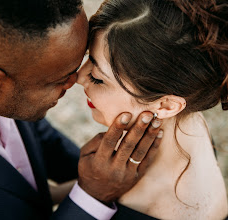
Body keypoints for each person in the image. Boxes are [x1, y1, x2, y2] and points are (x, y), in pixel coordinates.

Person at [0, 0, 164, 219]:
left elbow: (43, 140)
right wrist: (93, 197)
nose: (77, 80)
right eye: (60, 78)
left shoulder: (11, 96)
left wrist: (106, 169)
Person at [77, 0, 228, 219]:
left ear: (167, 105)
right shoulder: (187, 121)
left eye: (98, 78)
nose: (80, 77)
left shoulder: (155, 210)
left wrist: (89, 195)